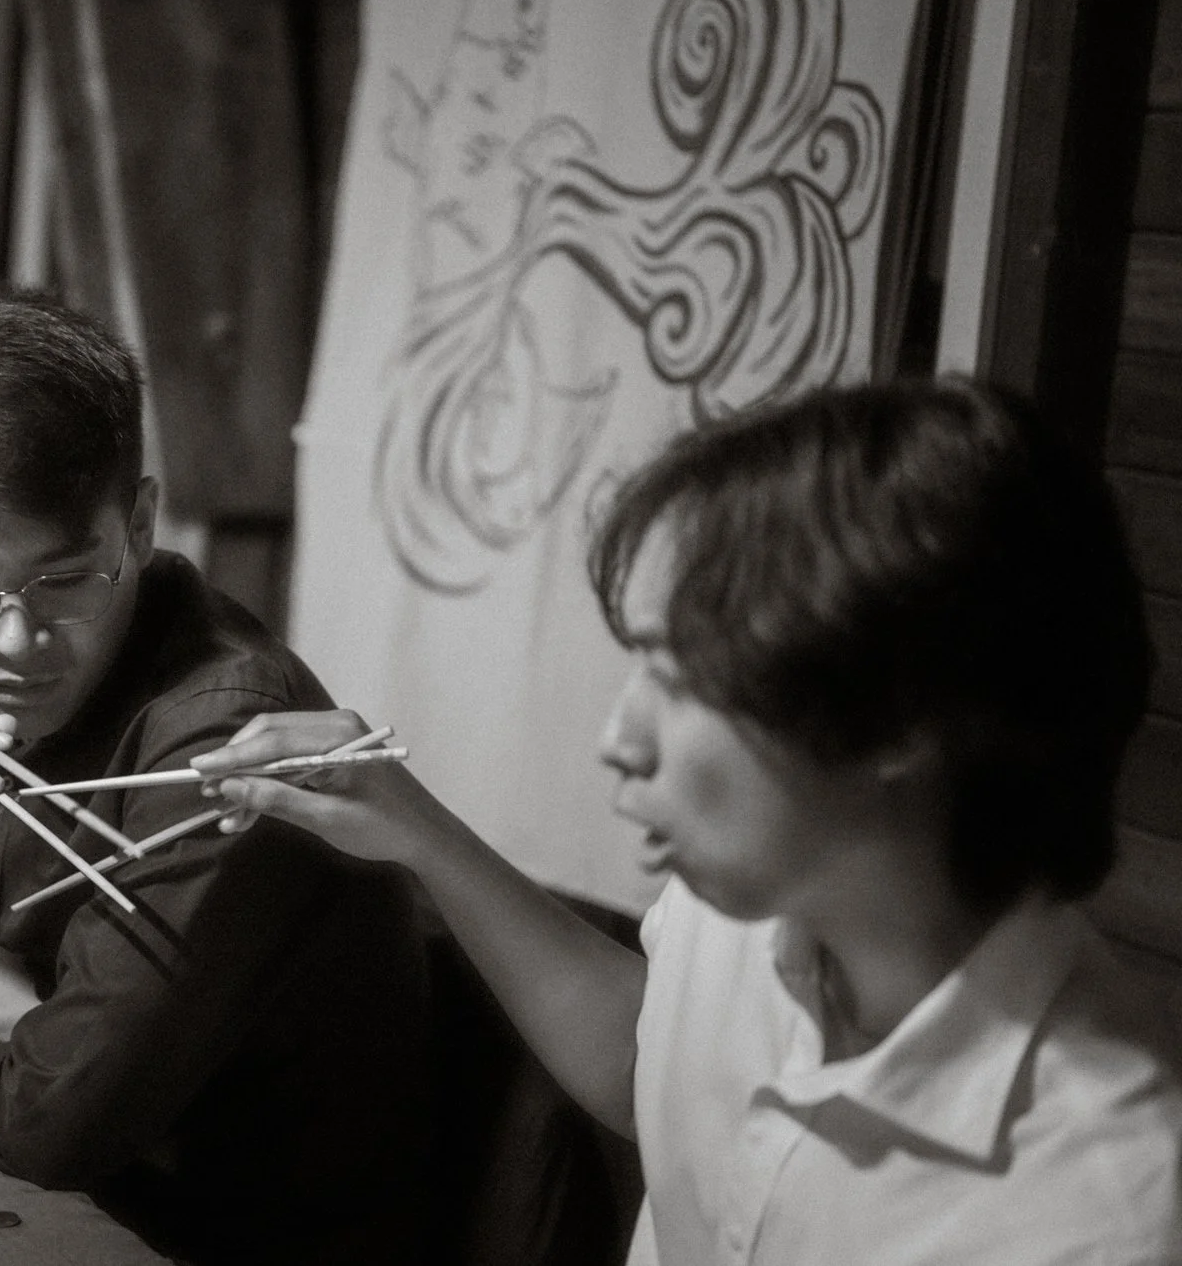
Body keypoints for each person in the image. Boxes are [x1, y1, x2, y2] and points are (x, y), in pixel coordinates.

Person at [196, 380, 1182, 1265]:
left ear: (899, 721)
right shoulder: (767, 889)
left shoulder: (1098, 1212)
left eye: (682, 675)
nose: (619, 736)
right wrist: (420, 835)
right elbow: (650, 1062)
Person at [0, 290, 443, 1266]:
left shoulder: (221, 736)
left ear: (141, 524)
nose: (13, 643)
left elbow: (50, 1121)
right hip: (102, 1202)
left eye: (67, 580)